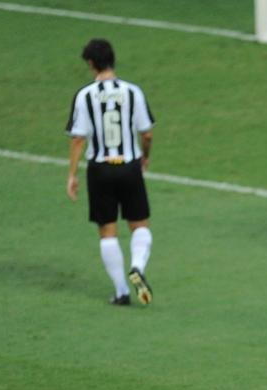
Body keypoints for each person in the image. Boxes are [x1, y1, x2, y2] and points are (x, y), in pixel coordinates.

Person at [66, 38, 156, 306]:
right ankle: (138, 266)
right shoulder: (132, 92)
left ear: (91, 64)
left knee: (107, 231)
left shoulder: (84, 95)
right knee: (140, 225)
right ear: (113, 60)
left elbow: (78, 139)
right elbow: (147, 133)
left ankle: (121, 292)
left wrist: (72, 174)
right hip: (128, 166)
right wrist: (145, 157)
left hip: (100, 169)